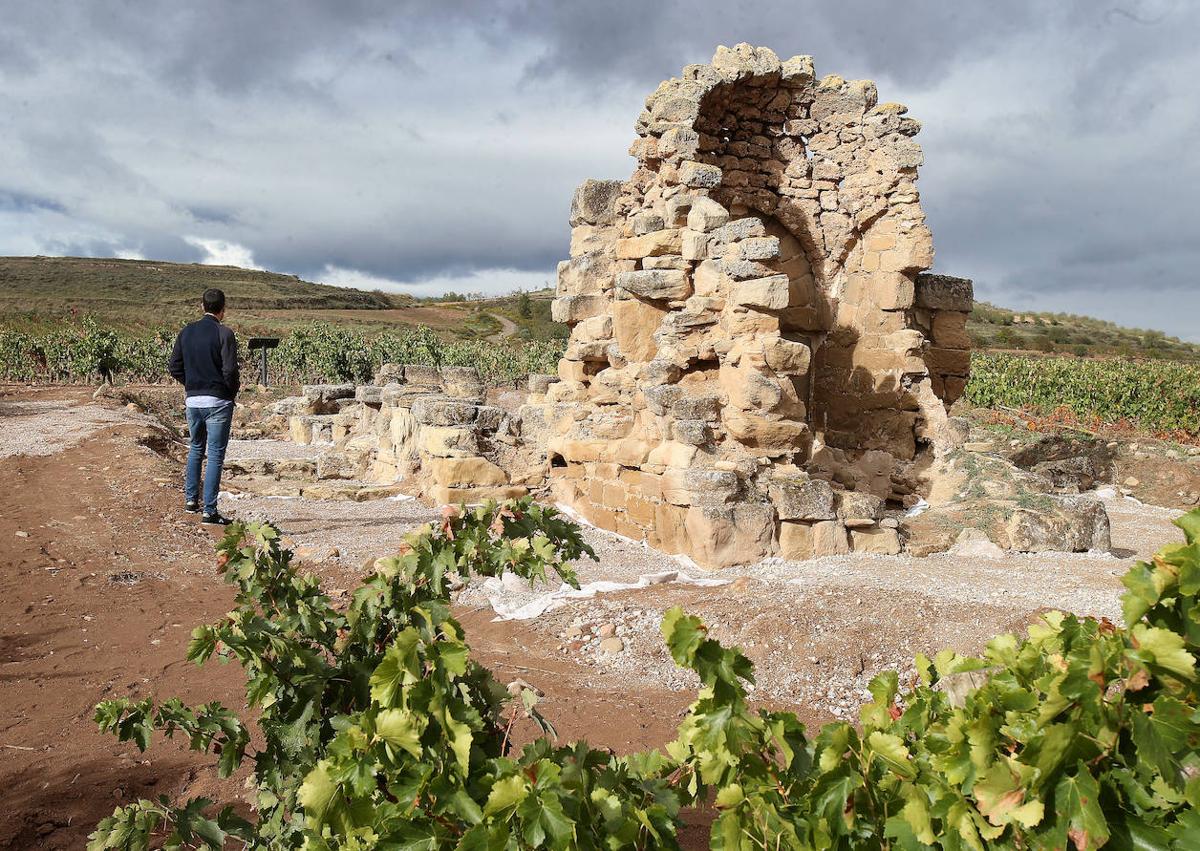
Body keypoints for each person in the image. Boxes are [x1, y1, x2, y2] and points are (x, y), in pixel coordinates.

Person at [168, 288, 239, 525]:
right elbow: (230, 370)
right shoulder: (224, 333)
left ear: (202, 307)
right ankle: (210, 511)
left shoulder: (186, 332)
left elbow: (174, 366)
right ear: (223, 309)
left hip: (193, 401)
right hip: (218, 401)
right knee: (216, 455)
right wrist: (228, 393)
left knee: (196, 448)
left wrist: (190, 384)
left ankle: (191, 501)